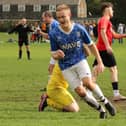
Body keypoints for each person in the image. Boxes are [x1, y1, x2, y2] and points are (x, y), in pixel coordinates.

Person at [48, 4, 116, 118]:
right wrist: (56, 55)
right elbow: (53, 52)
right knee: (81, 92)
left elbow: (91, 45)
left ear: (69, 15)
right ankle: (101, 110)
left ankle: (105, 102)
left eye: (63, 17)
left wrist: (100, 61)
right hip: (65, 67)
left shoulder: (79, 29)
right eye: (59, 17)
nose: (61, 20)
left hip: (80, 61)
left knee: (87, 83)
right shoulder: (54, 33)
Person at [92, 2, 126, 101]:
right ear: (107, 9)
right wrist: (107, 46)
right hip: (103, 49)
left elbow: (114, 35)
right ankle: (116, 94)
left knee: (95, 70)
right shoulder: (104, 19)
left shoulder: (108, 22)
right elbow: (102, 31)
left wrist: (124, 35)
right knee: (113, 69)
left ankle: (88, 92)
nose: (113, 11)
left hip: (100, 49)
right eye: (112, 9)